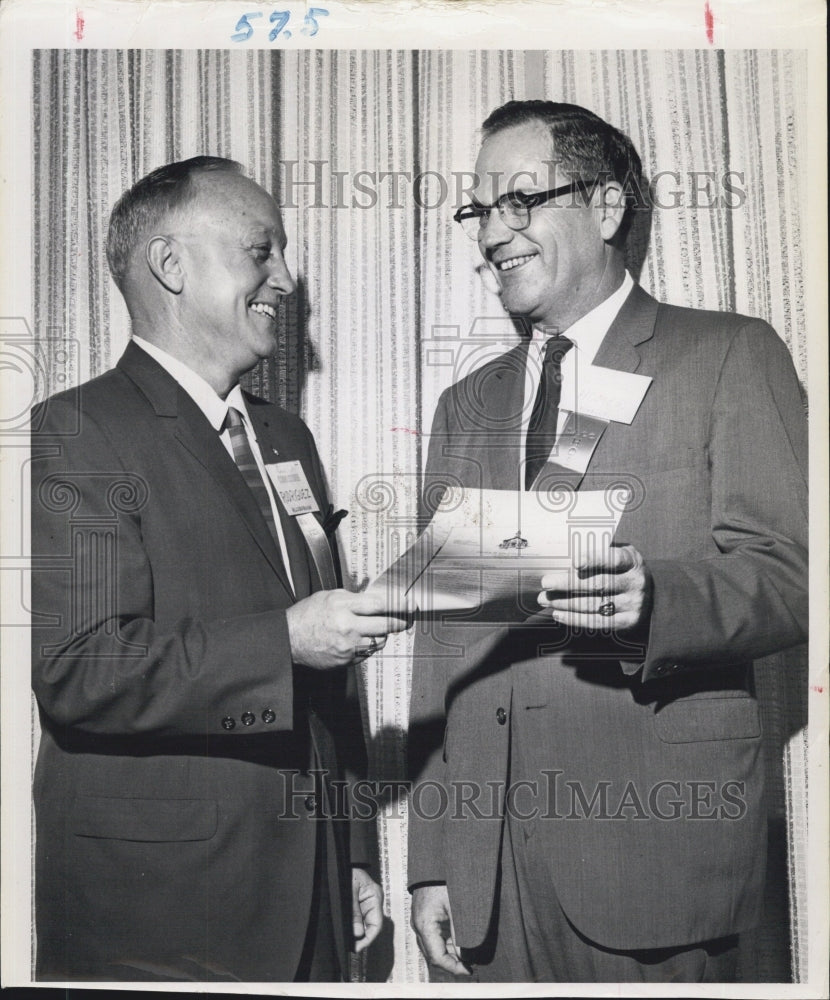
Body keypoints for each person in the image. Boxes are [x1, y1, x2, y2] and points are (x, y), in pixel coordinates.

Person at [408, 101, 808, 983]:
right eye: (479, 211)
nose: (490, 235)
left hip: (655, 855)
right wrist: (433, 859)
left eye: (519, 201)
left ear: (608, 208)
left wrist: (658, 602)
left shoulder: (728, 355)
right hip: (488, 872)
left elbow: (791, 575)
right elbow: (444, 640)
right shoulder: (463, 407)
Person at [30, 156, 405, 982]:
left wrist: (351, 850)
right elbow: (79, 668)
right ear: (171, 265)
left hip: (313, 894)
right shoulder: (79, 430)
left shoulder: (284, 439)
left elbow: (328, 676)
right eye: (261, 250)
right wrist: (284, 640)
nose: (286, 276)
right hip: (166, 910)